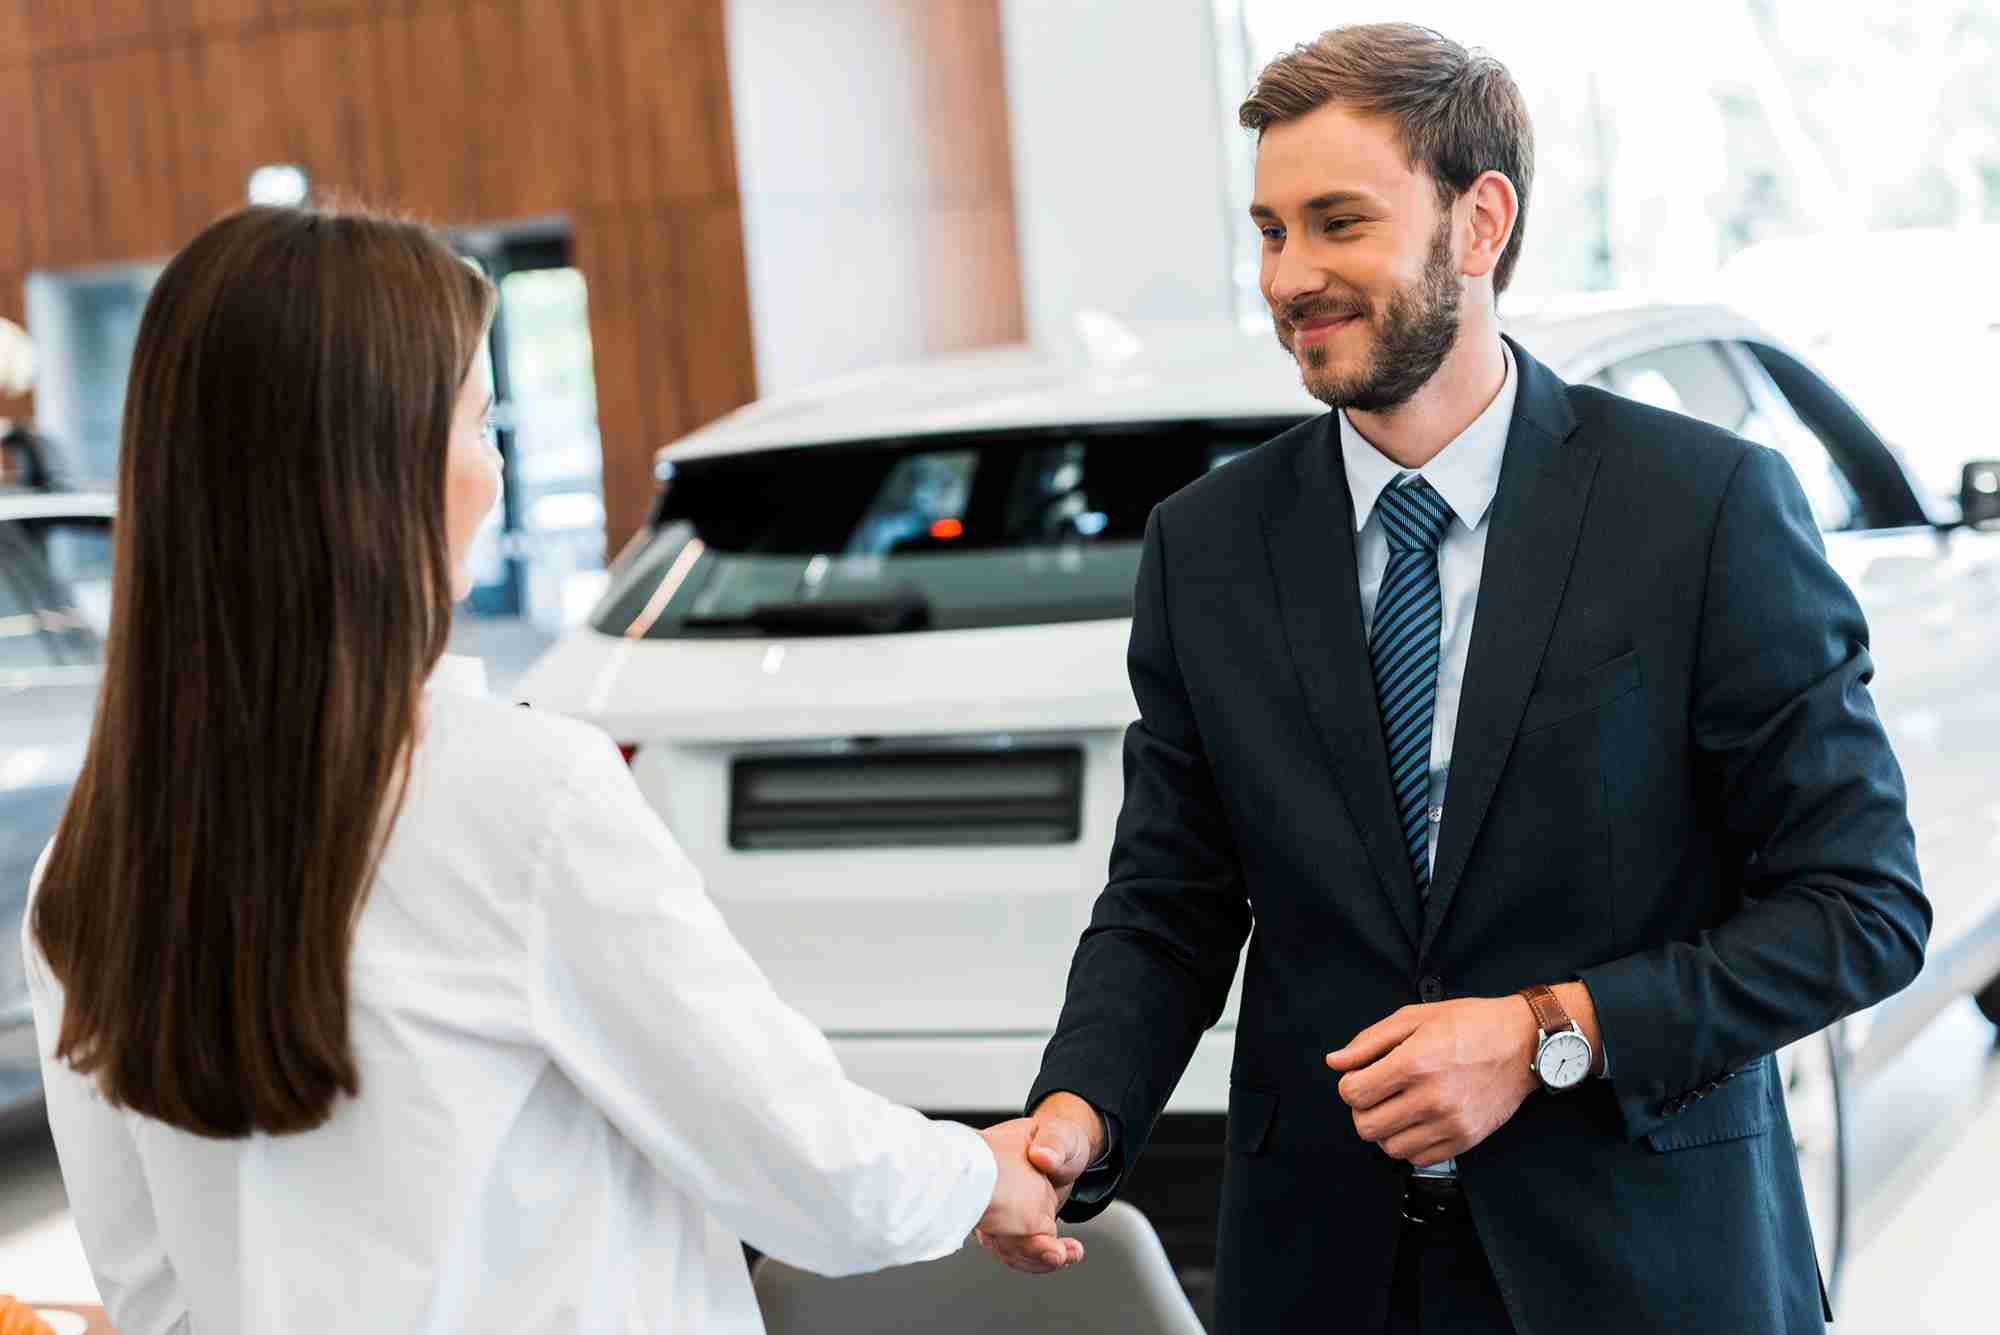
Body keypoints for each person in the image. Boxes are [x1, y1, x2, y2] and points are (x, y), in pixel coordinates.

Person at [976, 22, 1929, 1335]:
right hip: (1322, 1274)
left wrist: (1552, 1027)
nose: (1292, 275)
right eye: (1268, 231)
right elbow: (1171, 900)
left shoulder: (1700, 511)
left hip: (1646, 1267)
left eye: (1336, 222)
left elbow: (1860, 905)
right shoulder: (1206, 546)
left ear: (1479, 223)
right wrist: (1072, 1114)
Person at [22, 205, 1076, 1334]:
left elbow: (149, 1292)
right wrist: (982, 1176)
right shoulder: (515, 798)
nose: (495, 469)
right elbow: (811, 1172)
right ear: (381, 477)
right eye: (479, 424)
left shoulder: (90, 867)